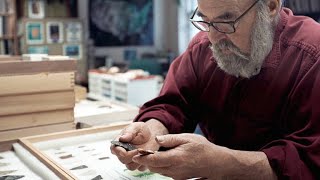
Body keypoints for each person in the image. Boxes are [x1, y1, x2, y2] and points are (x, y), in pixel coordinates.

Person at [111, 0, 320, 179]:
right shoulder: (202, 47)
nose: (213, 37)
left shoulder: (312, 56)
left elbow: (311, 160)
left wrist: (223, 164)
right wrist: (153, 131)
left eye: (226, 21)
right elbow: (173, 103)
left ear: (270, 6)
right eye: (206, 21)